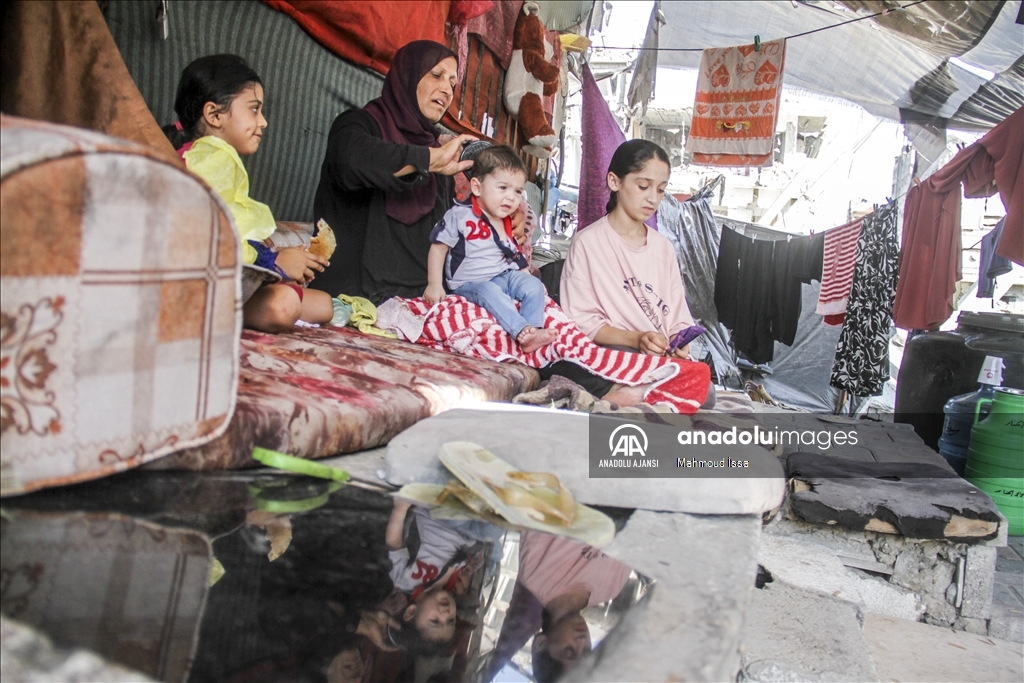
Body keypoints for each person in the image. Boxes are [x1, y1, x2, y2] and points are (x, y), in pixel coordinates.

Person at [163, 54, 334, 333]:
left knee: (322, 304)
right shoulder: (216, 157)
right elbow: (214, 241)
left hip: (200, 282)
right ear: (214, 115)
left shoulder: (197, 155)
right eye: (254, 109)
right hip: (187, 286)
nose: (263, 121)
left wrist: (274, 255)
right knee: (288, 305)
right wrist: (274, 262)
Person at [311, 40, 477, 303]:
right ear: (407, 76)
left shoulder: (437, 155)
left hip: (419, 299)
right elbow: (353, 161)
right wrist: (426, 159)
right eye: (436, 75)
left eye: (453, 84)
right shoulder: (358, 125)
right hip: (354, 293)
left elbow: (447, 233)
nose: (447, 89)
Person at [550, 139, 709, 405]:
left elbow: (678, 316)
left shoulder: (664, 248)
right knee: (566, 362)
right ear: (615, 181)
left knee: (705, 385)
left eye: (660, 190)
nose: (652, 198)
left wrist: (679, 343)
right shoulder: (588, 242)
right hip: (612, 352)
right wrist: (636, 339)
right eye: (643, 186)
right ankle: (638, 392)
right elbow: (582, 322)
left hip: (655, 358)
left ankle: (632, 393)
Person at [425, 145, 557, 353]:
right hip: (471, 283)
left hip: (504, 274)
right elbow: (439, 247)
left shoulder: (505, 220)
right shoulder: (459, 215)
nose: (511, 197)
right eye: (503, 188)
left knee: (533, 286)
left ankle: (534, 330)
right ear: (477, 187)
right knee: (490, 291)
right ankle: (520, 329)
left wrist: (526, 276)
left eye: (517, 191)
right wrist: (434, 284)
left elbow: (512, 252)